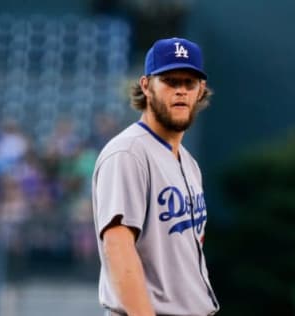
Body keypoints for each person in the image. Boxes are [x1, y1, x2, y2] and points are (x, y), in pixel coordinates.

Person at [92, 37, 220, 316]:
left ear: (200, 91)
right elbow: (118, 247)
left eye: (190, 83)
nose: (181, 91)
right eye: (171, 81)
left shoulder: (188, 162)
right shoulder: (128, 153)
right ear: (146, 86)